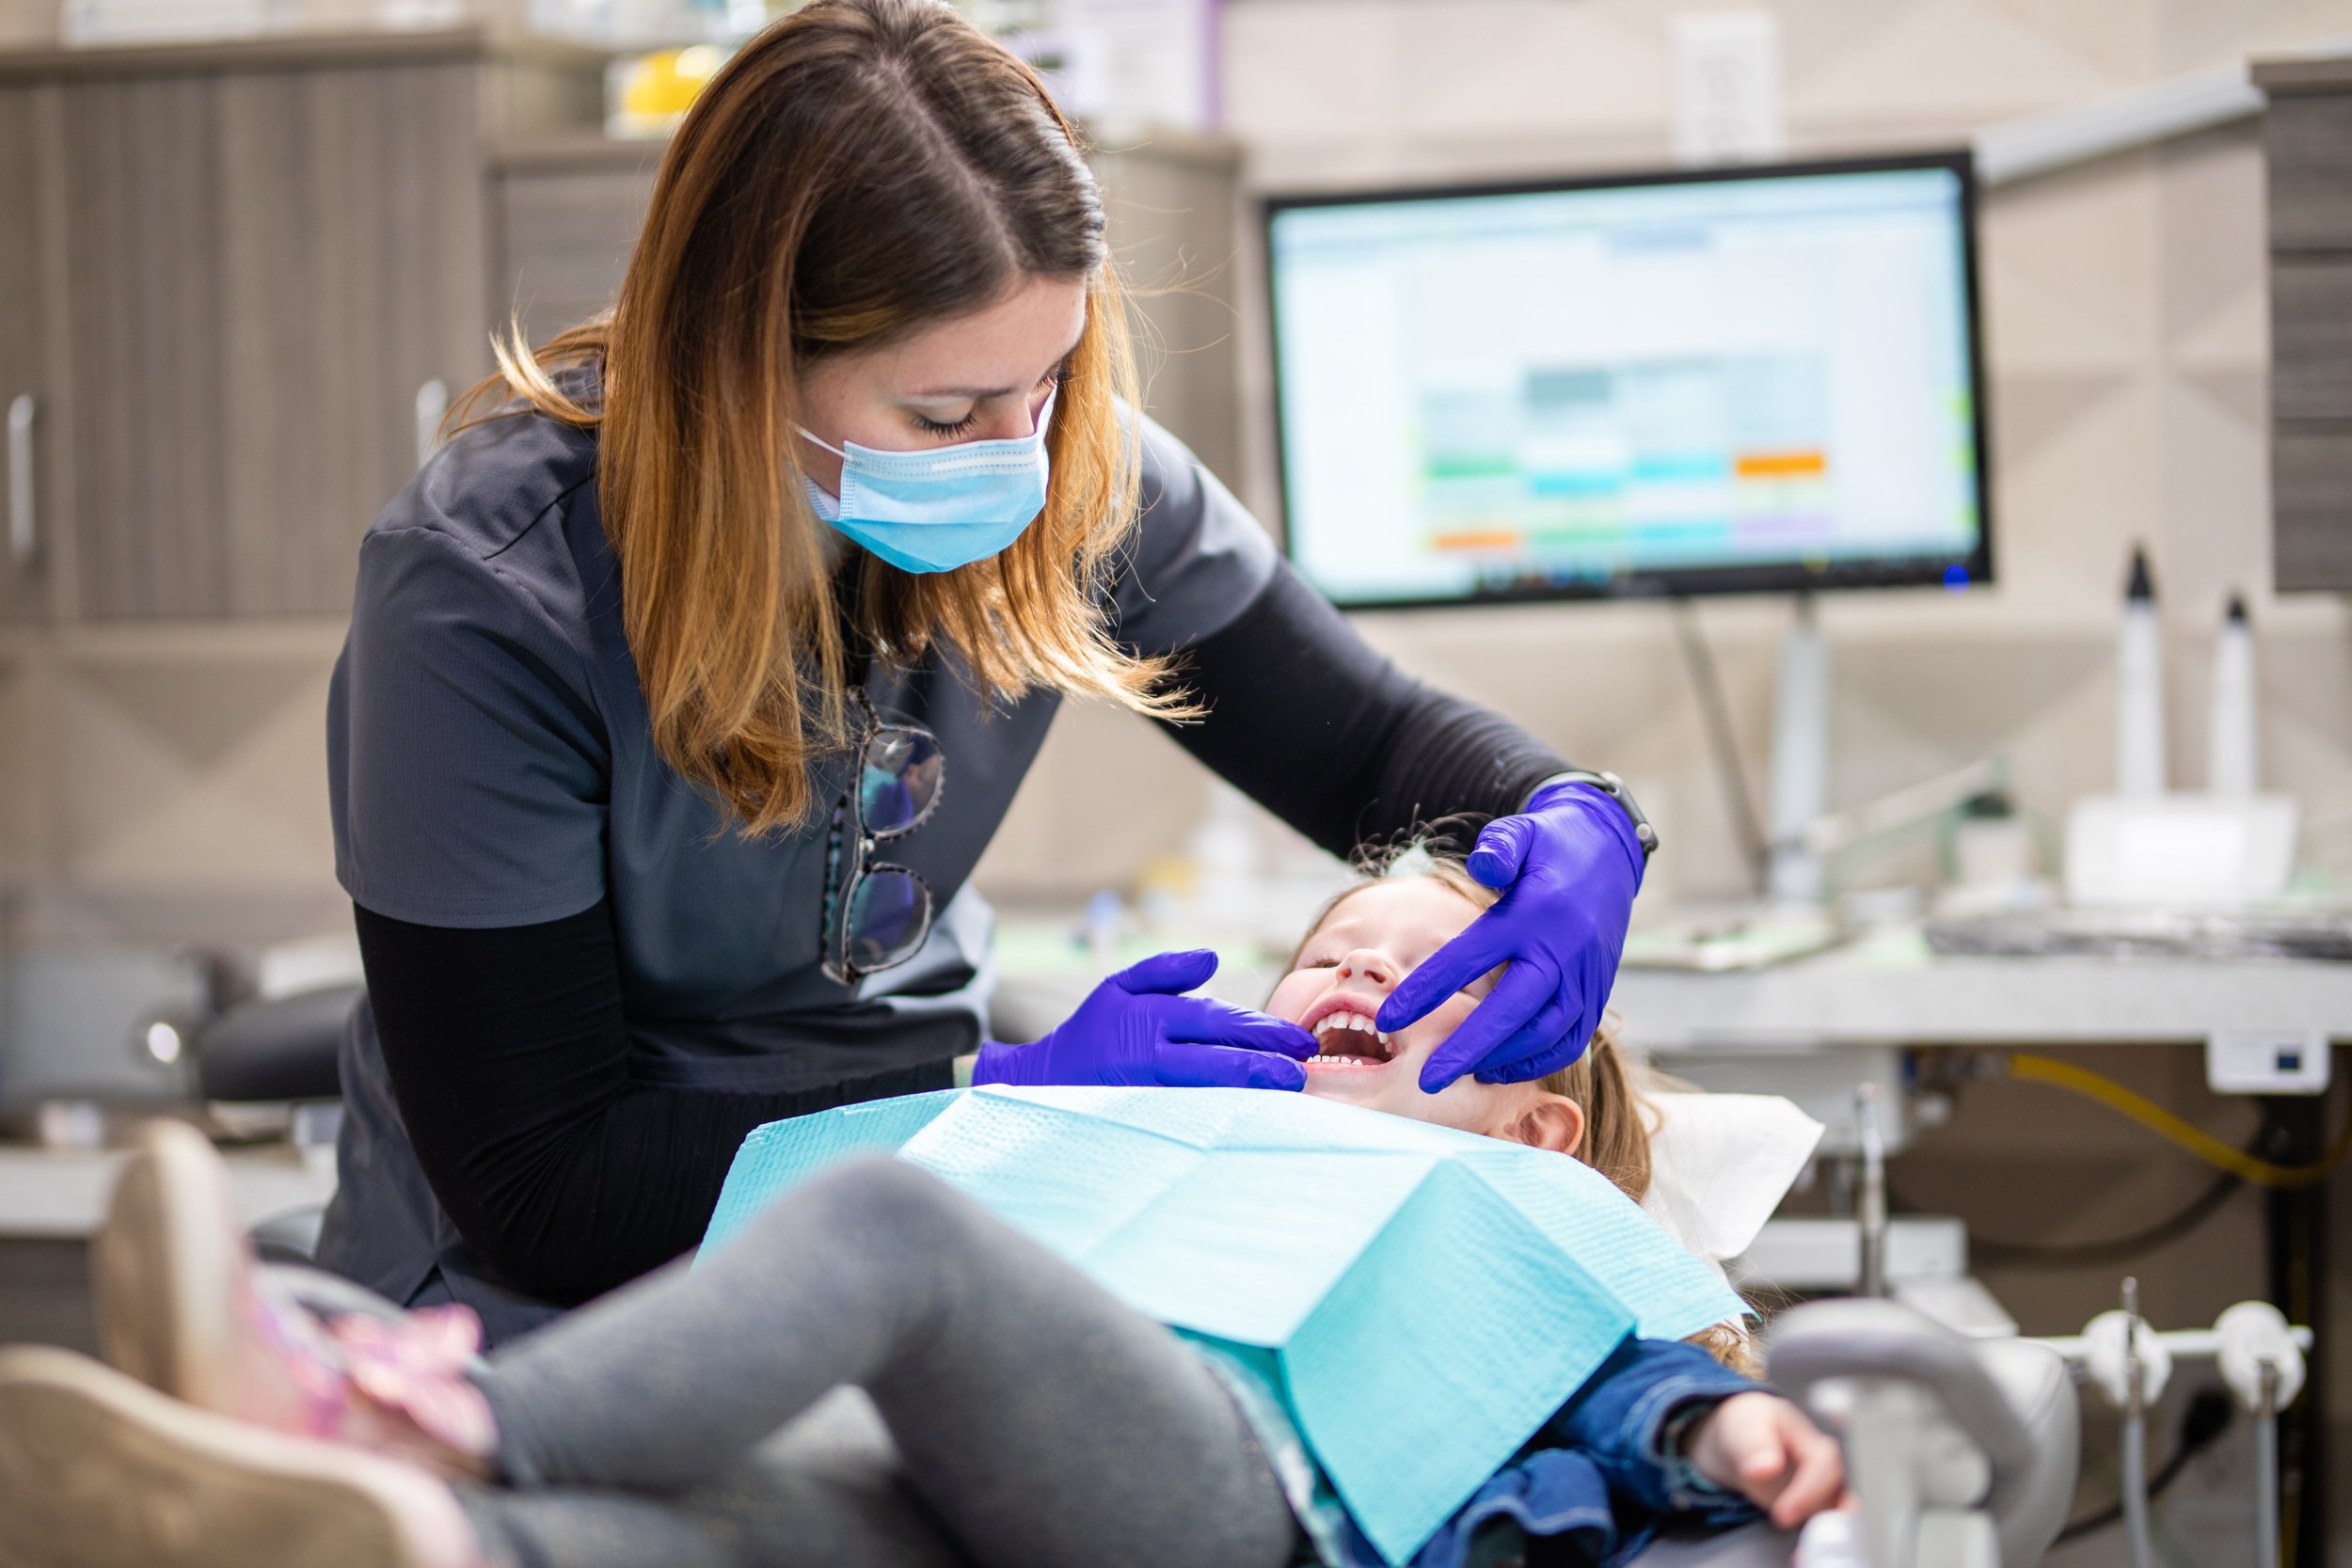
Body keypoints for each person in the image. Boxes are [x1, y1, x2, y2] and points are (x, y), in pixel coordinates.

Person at [323, 0, 1660, 1346]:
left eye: (1053, 381)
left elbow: (1369, 747)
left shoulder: (1064, 461)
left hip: (949, 1244)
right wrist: (994, 1114)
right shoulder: (488, 598)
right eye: (945, 415)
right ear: (740, 359)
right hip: (564, 1300)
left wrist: (1574, 815)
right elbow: (545, 1188)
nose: (1021, 460)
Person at [0, 849, 1845, 1568]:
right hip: (1006, 1478)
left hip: (1243, 1504)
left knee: (895, 1235)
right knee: (746, 1536)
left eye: (1415, 975)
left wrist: (1724, 1423)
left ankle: (456, 1413)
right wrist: (1036, 1108)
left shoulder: (1509, 1206)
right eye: (1320, 955)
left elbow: (1624, 1380)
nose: (1339, 976)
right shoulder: (1177, 1133)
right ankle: (399, 1522)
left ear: (1531, 1111)